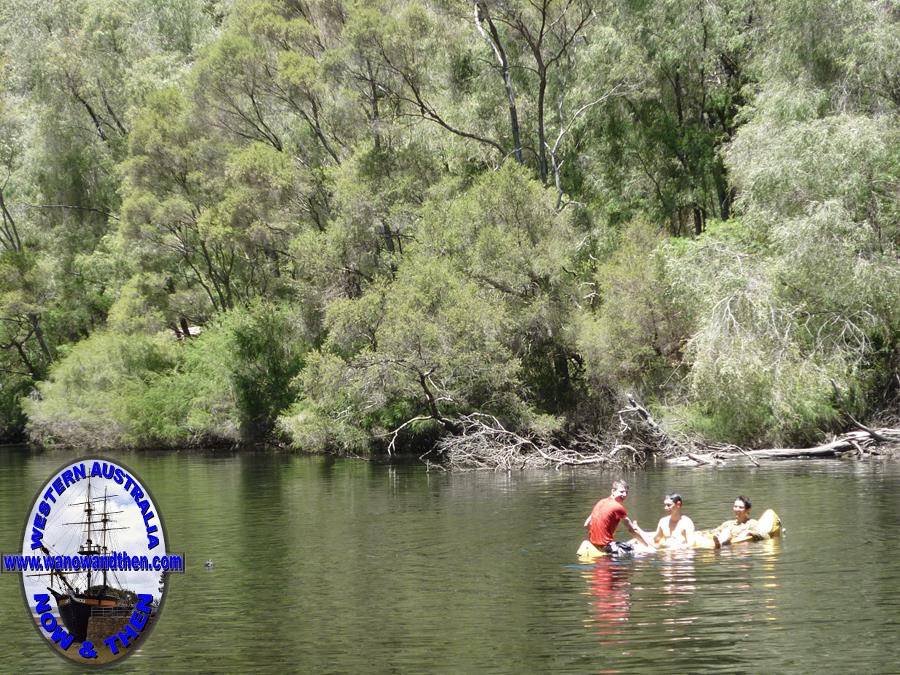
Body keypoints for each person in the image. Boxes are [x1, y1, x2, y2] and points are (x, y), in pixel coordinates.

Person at [583, 480, 655, 555]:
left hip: (593, 544)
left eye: (626, 492)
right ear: (613, 491)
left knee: (634, 541)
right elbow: (632, 530)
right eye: (621, 492)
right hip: (606, 548)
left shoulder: (600, 502)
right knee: (650, 551)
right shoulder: (618, 507)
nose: (624, 494)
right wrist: (647, 546)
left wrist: (598, 538)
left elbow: (586, 524)